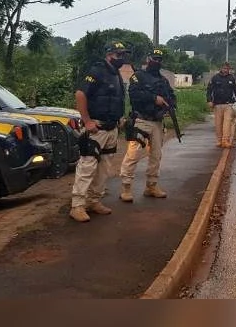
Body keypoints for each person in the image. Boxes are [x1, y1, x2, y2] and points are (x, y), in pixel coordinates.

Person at [69, 41, 130, 222]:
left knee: (104, 168)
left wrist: (120, 119)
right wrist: (87, 121)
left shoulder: (116, 75)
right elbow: (80, 94)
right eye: (119, 55)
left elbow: (116, 99)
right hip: (96, 127)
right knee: (87, 166)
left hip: (111, 128)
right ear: (109, 55)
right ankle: (77, 206)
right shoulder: (96, 71)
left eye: (123, 55)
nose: (122, 58)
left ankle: (94, 201)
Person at [119, 48, 176, 201]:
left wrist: (169, 106)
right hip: (141, 121)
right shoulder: (138, 76)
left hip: (157, 122)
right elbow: (134, 95)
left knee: (156, 156)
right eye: (154, 58)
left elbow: (171, 96)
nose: (156, 62)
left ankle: (151, 186)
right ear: (148, 59)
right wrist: (154, 98)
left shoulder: (163, 80)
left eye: (159, 59)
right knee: (133, 155)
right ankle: (126, 187)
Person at [206, 61, 236, 148]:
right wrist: (209, 100)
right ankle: (219, 140)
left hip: (228, 104)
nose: (225, 70)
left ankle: (225, 140)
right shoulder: (215, 78)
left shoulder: (231, 78)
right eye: (224, 68)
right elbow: (209, 90)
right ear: (221, 69)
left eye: (227, 68)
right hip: (217, 105)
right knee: (218, 123)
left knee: (227, 122)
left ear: (229, 69)